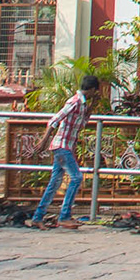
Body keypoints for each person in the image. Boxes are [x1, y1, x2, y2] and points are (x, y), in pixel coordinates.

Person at [30, 74, 103, 227]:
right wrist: (44, 140)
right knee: (76, 178)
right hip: (62, 146)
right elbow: (55, 119)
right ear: (91, 89)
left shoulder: (82, 104)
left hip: (66, 146)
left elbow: (83, 121)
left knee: (54, 183)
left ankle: (37, 217)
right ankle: (64, 216)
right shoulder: (74, 102)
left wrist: (93, 104)